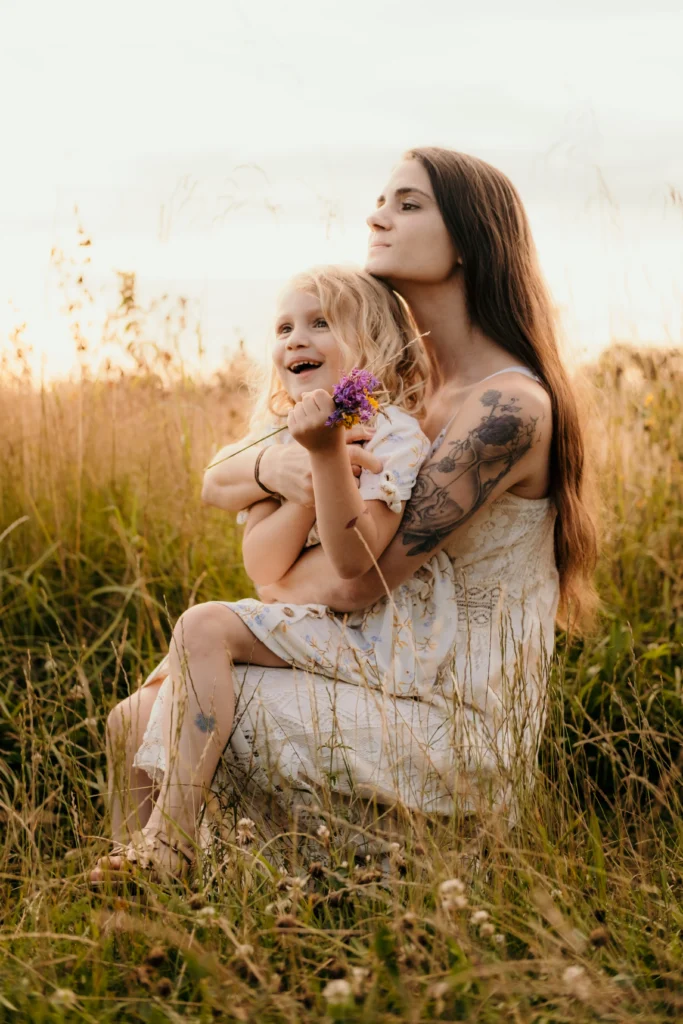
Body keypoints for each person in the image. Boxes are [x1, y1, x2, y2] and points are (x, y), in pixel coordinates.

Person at [93, 147, 598, 882]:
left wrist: (284, 552)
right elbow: (219, 477)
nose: (376, 214)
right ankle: (139, 901)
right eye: (380, 200)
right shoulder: (400, 390)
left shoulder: (503, 409)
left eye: (407, 203)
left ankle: (178, 865)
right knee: (129, 720)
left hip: (453, 723)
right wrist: (275, 467)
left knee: (158, 710)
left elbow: (357, 583)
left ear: (468, 241)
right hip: (383, 674)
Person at [92, 264, 431, 879]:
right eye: (284, 327)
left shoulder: (393, 436)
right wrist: (301, 477)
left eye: (320, 323)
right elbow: (263, 563)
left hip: (363, 634)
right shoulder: (275, 436)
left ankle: (172, 843)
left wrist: (328, 458)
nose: (295, 340)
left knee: (201, 626)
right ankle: (131, 869)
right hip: (291, 618)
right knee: (129, 720)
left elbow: (357, 559)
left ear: (374, 345)